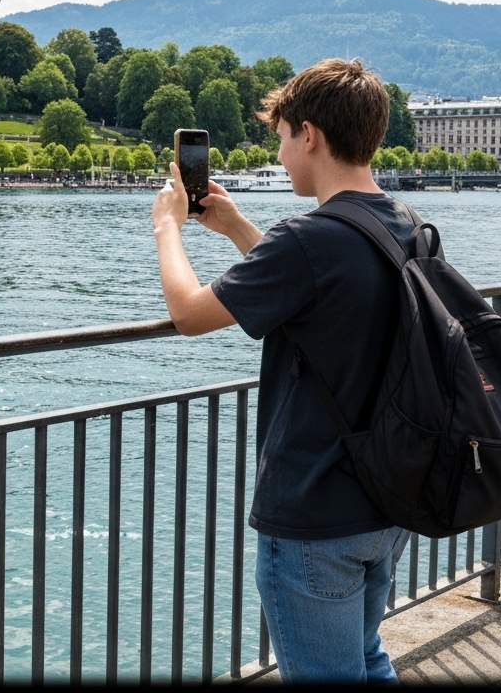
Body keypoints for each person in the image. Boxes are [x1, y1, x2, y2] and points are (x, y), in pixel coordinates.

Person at [151, 58, 417, 684]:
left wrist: (169, 228)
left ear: (310, 135)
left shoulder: (309, 239)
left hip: (316, 515)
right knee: (363, 657)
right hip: (388, 500)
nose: (280, 149)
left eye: (280, 136)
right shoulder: (406, 224)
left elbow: (189, 314)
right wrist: (241, 228)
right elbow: (324, 292)